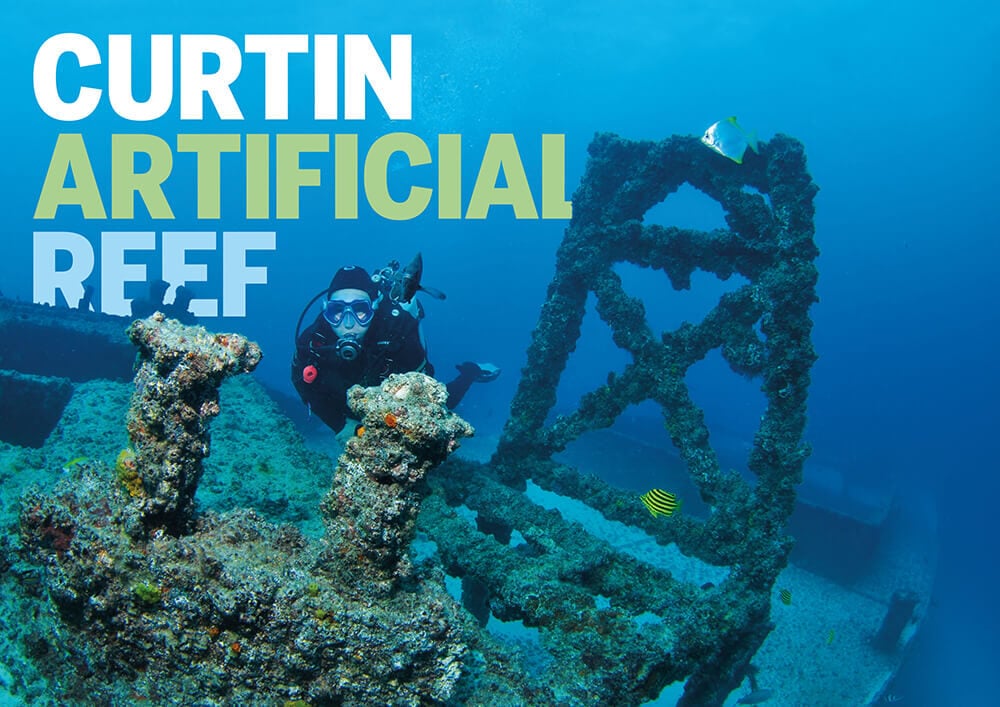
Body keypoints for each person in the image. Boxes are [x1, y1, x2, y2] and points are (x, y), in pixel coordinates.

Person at [291, 264, 499, 433]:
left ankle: (470, 372)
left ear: (373, 307)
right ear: (326, 311)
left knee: (444, 405)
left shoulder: (399, 333)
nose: (347, 323)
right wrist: (342, 426)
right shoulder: (312, 341)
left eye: (360, 311)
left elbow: (426, 393)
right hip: (348, 404)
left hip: (398, 396)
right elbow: (303, 383)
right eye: (337, 311)